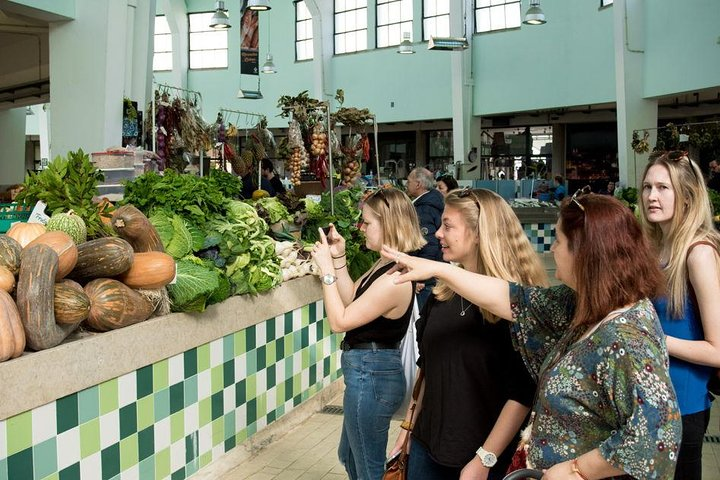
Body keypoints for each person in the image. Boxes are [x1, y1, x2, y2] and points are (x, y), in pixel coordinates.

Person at [382, 191, 682, 479]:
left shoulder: (627, 339)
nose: (551, 249)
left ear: (587, 254)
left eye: (559, 241)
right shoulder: (580, 304)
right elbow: (512, 297)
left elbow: (658, 439)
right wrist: (440, 270)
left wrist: (579, 469)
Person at [390, 188, 545, 479]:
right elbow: (427, 369)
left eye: (447, 226)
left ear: (479, 233)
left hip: (482, 458)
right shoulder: (442, 293)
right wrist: (407, 429)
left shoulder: (514, 306)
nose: (437, 234)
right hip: (427, 447)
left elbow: (522, 393)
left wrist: (485, 458)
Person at [310, 188, 426, 480]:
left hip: (372, 376)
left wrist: (325, 271)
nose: (361, 228)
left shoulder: (396, 278)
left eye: (367, 222)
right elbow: (352, 298)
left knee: (369, 469)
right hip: (365, 373)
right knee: (348, 455)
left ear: (388, 224)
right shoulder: (385, 263)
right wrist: (339, 257)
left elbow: (340, 320)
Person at [638, 150, 720, 480]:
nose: (651, 196)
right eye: (647, 187)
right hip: (647, 400)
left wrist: (654, 338)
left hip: (683, 407)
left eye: (663, 187)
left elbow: (717, 349)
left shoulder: (698, 253)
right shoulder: (655, 247)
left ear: (686, 195)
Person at [406, 168, 444, 309]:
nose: (406, 184)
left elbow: (428, 244)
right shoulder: (432, 202)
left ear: (418, 184)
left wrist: (421, 277)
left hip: (425, 282)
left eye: (409, 181)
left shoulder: (424, 209)